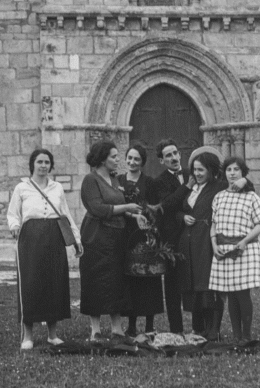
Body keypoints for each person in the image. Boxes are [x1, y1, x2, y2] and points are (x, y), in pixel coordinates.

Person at [7, 148, 83, 352]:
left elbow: (64, 213)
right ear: (32, 164)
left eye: (47, 162)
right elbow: (13, 214)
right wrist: (14, 227)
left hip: (54, 237)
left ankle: (52, 335)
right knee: (30, 284)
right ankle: (28, 336)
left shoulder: (56, 188)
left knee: (54, 283)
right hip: (30, 238)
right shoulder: (22, 188)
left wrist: (76, 239)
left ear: (51, 165)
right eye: (39, 162)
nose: (43, 166)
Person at [79, 141, 146, 342]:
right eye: (114, 156)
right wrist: (127, 207)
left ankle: (117, 328)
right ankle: (96, 330)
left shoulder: (115, 180)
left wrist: (135, 216)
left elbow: (118, 207)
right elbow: (98, 209)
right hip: (96, 237)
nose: (118, 160)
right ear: (102, 158)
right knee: (96, 280)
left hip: (117, 237)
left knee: (117, 281)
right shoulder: (90, 180)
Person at [208, 157, 260, 343]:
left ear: (243, 173)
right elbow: (214, 225)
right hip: (224, 249)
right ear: (224, 173)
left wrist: (244, 241)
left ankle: (246, 336)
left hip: (244, 249)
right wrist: (214, 244)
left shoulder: (252, 197)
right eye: (229, 169)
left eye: (236, 169)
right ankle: (236, 335)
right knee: (230, 292)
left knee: (242, 293)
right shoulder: (219, 197)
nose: (232, 173)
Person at [174, 150, 227, 339]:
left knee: (209, 284)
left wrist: (244, 181)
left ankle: (213, 329)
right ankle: (198, 327)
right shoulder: (190, 188)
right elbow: (177, 209)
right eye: (194, 170)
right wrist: (182, 216)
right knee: (192, 285)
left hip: (206, 240)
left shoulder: (220, 186)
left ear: (211, 170)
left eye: (201, 170)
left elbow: (246, 187)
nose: (196, 174)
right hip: (187, 242)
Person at [117, 142, 164, 340]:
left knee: (149, 279)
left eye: (137, 159)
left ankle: (150, 324)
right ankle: (131, 325)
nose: (132, 162)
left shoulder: (150, 182)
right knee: (130, 280)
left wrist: (151, 227)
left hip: (145, 234)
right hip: (125, 234)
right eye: (130, 158)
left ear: (142, 162)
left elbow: (154, 209)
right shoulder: (118, 180)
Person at [145, 139, 189, 334]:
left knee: (196, 283)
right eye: (168, 156)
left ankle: (200, 327)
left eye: (175, 153)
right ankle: (177, 330)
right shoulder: (159, 182)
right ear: (162, 161)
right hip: (172, 239)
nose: (173, 158)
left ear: (180, 154)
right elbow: (168, 204)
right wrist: (187, 186)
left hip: (194, 235)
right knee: (172, 288)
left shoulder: (192, 173)